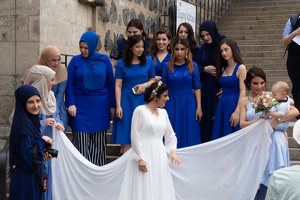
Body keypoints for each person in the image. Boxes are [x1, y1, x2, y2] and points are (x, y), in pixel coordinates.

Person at [239, 67, 299, 200]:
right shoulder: (244, 101)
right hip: (254, 141)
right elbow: (242, 124)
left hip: (273, 140)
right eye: (255, 83)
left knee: (272, 176)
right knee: (254, 177)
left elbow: (294, 111)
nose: (259, 86)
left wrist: (276, 120)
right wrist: (258, 122)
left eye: (262, 82)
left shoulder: (271, 96)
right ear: (248, 83)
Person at [118, 81, 181, 200]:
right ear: (156, 97)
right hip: (144, 153)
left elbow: (171, 135)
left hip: (159, 155)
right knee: (144, 185)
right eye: (165, 95)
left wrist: (173, 152)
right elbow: (134, 136)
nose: (168, 98)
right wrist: (140, 157)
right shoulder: (140, 110)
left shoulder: (164, 113)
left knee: (159, 185)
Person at [66, 31, 115, 166]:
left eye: (86, 48)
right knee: (80, 144)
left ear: (93, 46)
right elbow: (69, 83)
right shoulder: (75, 61)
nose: (83, 50)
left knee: (98, 145)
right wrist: (70, 103)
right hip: (79, 106)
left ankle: (97, 176)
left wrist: (112, 105)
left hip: (100, 106)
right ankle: (80, 176)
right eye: (81, 47)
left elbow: (111, 83)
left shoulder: (104, 60)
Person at [23, 65, 64, 200]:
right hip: (36, 140)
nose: (53, 83)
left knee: (46, 171)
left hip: (49, 139)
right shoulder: (31, 101)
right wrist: (43, 123)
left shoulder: (51, 96)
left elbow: (56, 115)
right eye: (51, 80)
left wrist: (59, 124)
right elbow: (25, 125)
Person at [111, 34, 155, 154]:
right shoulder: (121, 63)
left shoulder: (149, 61)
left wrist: (144, 86)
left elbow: (153, 81)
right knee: (126, 137)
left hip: (144, 102)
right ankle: (127, 169)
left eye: (142, 46)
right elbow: (118, 86)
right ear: (130, 47)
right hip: (126, 103)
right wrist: (118, 106)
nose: (140, 49)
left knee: (143, 137)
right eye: (137, 46)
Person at [9, 85, 53, 200]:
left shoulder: (30, 121)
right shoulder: (24, 125)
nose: (36, 105)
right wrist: (44, 140)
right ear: (23, 103)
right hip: (26, 180)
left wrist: (41, 157)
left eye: (38, 101)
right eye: (30, 102)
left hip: (32, 177)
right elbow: (28, 160)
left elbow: (30, 152)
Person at [162, 38, 202, 148]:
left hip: (189, 102)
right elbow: (163, 87)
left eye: (182, 49)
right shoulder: (167, 66)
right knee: (172, 129)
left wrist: (199, 107)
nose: (179, 52)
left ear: (187, 50)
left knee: (190, 130)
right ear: (173, 51)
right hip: (171, 102)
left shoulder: (193, 66)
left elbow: (197, 87)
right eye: (177, 49)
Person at [21, 46, 68, 133]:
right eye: (53, 60)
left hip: (56, 107)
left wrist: (55, 113)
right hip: (38, 107)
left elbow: (60, 93)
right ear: (46, 59)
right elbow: (27, 88)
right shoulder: (36, 70)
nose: (56, 63)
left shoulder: (62, 69)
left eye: (59, 60)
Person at [196, 20, 226, 143]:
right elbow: (194, 65)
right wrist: (205, 69)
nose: (206, 38)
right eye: (203, 36)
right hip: (204, 88)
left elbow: (234, 64)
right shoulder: (203, 47)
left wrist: (228, 85)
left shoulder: (224, 43)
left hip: (218, 87)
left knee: (216, 117)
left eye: (208, 34)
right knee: (205, 118)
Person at [210, 38, 246, 140]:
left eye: (226, 49)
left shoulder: (241, 67)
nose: (223, 53)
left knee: (232, 133)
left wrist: (237, 111)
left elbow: (243, 91)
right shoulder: (223, 68)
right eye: (221, 51)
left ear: (233, 49)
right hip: (222, 104)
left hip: (234, 103)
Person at [282, 13, 300, 119]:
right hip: (294, 59)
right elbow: (284, 41)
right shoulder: (293, 20)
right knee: (296, 86)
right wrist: (295, 32)